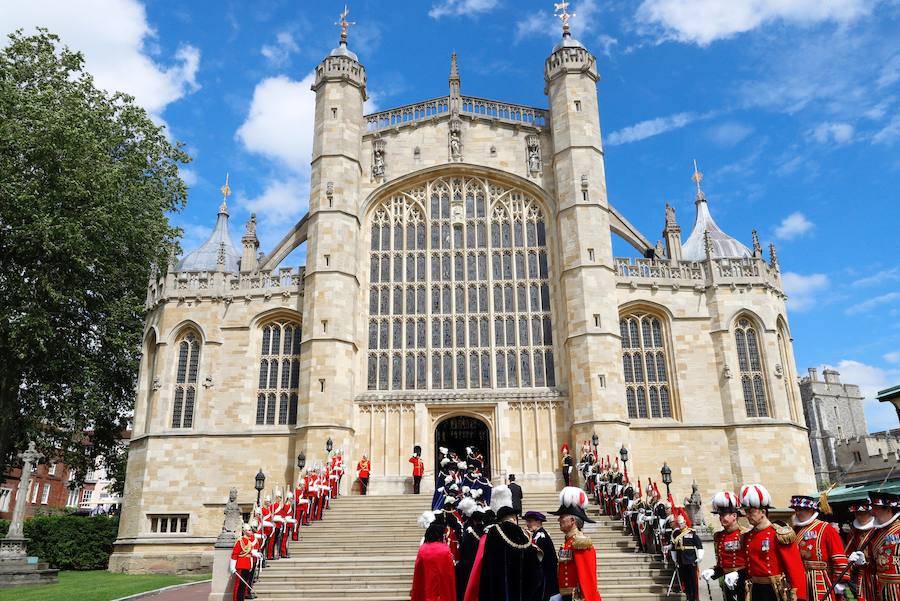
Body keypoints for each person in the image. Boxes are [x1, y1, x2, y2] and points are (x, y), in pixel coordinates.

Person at [463, 485, 544, 601]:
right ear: (514, 519)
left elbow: (487, 570)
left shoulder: (493, 532)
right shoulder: (524, 535)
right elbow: (536, 573)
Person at [729, 483, 806, 601]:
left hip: (775, 590)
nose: (747, 515)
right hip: (754, 589)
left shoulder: (779, 534)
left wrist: (799, 595)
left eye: (751, 512)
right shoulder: (747, 536)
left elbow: (795, 567)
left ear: (763, 512)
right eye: (746, 512)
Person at [789, 495, 848, 601]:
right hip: (801, 577)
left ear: (811, 510)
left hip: (821, 577)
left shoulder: (825, 528)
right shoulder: (795, 529)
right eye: (796, 510)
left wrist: (840, 580)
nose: (798, 513)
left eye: (801, 509)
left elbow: (838, 554)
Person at [550, 486, 602, 601]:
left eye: (562, 517)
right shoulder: (568, 542)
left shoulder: (580, 542)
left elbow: (587, 578)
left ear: (573, 521)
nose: (559, 520)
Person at [701, 491, 747, 601]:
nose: (721, 518)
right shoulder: (719, 536)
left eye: (723, 515)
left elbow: (753, 563)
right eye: (720, 515)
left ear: (734, 516)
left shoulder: (745, 534)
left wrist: (739, 574)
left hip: (745, 582)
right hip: (727, 581)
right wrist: (714, 571)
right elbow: (723, 564)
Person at [862, 491, 900, 601]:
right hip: (883, 587)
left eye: (876, 509)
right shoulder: (875, 533)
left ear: (888, 510)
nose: (872, 513)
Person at [411, 512, 457, 601]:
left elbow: (418, 570)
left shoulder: (423, 549)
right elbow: (449, 572)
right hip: (443, 589)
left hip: (427, 585)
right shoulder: (445, 549)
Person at [844, 497, 876, 601]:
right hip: (862, 574)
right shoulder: (853, 532)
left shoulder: (878, 529)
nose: (860, 516)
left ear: (871, 513)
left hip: (877, 572)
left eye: (863, 513)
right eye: (857, 514)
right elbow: (849, 552)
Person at [525, 511, 560, 601]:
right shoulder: (538, 534)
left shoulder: (541, 536)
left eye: (530, 521)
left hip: (546, 578)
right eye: (527, 521)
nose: (527, 524)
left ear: (538, 522)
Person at [671, 514, 703, 601]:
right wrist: (674, 559)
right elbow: (673, 548)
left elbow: (699, 545)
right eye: (679, 523)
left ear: (685, 523)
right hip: (681, 560)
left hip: (691, 560)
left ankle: (695, 598)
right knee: (685, 580)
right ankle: (688, 597)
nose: (680, 525)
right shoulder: (676, 534)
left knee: (693, 581)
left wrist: (699, 557)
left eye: (681, 523)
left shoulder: (691, 533)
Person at [229, 523, 256, 601]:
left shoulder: (249, 541)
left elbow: (249, 553)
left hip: (247, 565)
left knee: (243, 585)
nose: (251, 532)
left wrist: (257, 554)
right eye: (249, 530)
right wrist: (232, 567)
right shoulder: (240, 541)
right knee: (238, 585)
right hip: (240, 565)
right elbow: (235, 554)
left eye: (251, 530)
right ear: (244, 531)